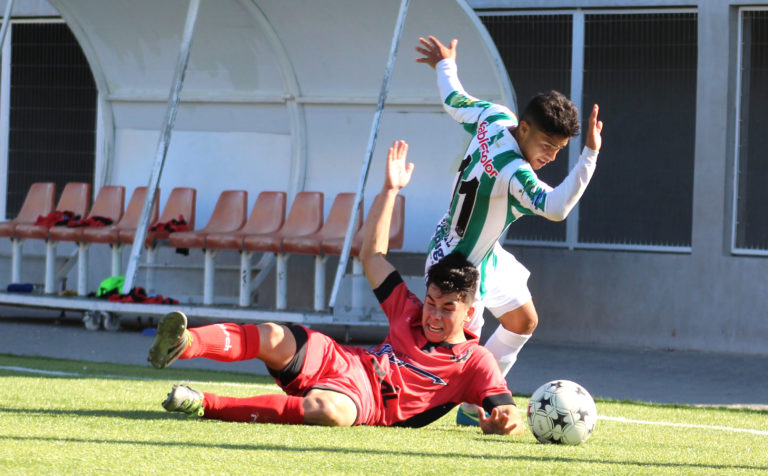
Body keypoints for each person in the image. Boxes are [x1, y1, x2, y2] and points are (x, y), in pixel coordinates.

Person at [148, 140, 525, 436]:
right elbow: (372, 256)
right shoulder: (409, 310)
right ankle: (185, 344)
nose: (433, 315)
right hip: (344, 361)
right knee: (272, 335)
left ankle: (205, 403)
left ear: (469, 312)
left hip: (366, 402)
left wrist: (504, 423)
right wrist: (389, 191)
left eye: (447, 308)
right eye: (431, 302)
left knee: (329, 412)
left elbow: (509, 413)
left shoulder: (475, 361)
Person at [415, 35, 604, 424]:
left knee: (523, 320)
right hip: (460, 269)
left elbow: (454, 99)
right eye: (547, 145)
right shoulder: (514, 171)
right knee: (452, 359)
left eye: (559, 150)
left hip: (469, 249)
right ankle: (423, 396)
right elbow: (556, 209)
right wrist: (589, 155)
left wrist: (445, 65)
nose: (551, 157)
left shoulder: (494, 116)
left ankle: (473, 407)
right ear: (525, 128)